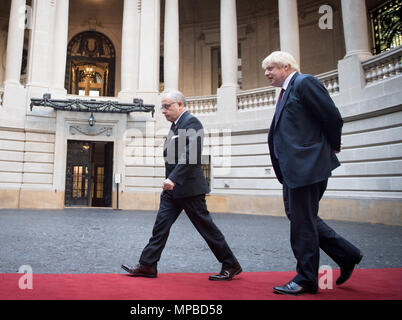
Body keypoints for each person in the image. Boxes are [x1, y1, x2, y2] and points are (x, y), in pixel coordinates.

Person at [262, 51, 363, 295]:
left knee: (302, 223)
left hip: (306, 165)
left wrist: (330, 147)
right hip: (294, 168)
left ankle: (306, 278)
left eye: (270, 69)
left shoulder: (304, 82)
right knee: (299, 217)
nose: (267, 74)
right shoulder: (287, 91)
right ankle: (347, 254)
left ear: (286, 67)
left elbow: (332, 117)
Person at [122, 90, 242, 281]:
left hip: (189, 189)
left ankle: (231, 264)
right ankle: (147, 265)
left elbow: (191, 154)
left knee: (207, 229)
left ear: (180, 104)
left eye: (167, 106)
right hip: (172, 191)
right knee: (160, 227)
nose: (163, 110)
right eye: (162, 106)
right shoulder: (175, 126)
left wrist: (173, 178)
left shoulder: (191, 122)